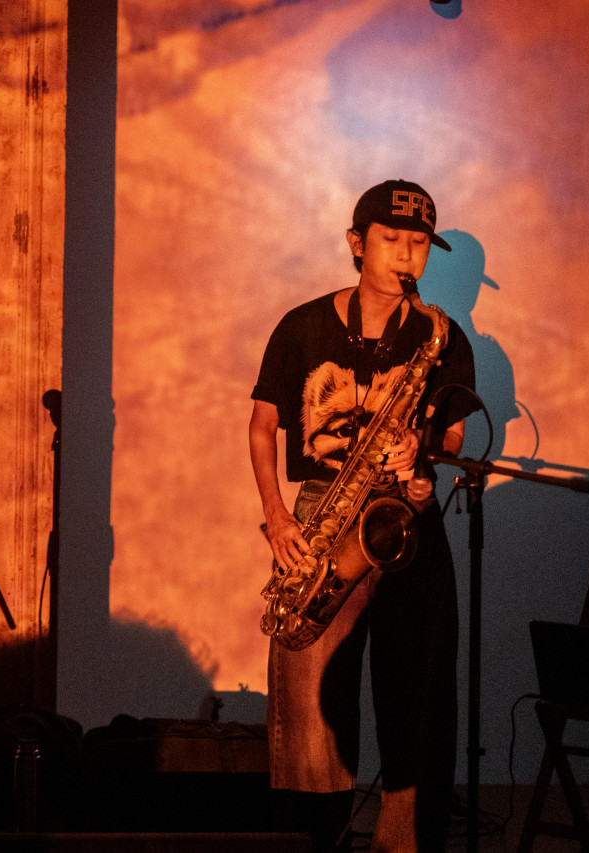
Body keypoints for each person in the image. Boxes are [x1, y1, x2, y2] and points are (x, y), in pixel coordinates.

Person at [248, 180, 476, 853]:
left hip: (405, 517)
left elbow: (456, 438)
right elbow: (262, 427)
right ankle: (312, 837)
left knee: (417, 688)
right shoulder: (304, 325)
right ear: (356, 243)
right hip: (323, 509)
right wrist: (277, 518)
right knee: (313, 704)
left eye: (419, 244)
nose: (408, 255)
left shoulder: (439, 334)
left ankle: (403, 837)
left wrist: (422, 452)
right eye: (393, 239)